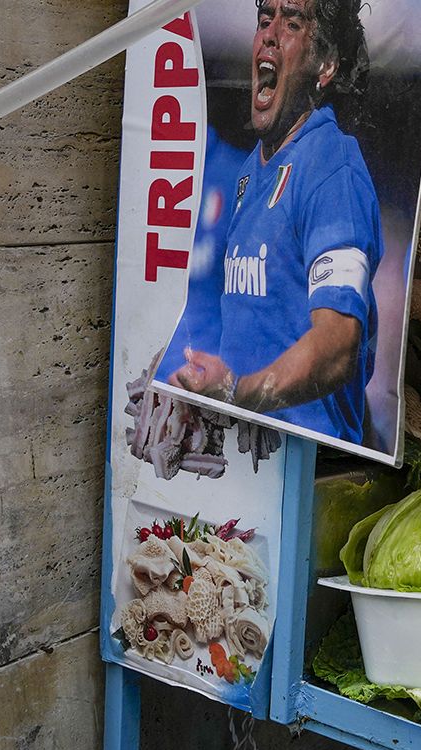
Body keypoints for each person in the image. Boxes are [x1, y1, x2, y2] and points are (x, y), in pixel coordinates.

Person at [164, 0, 381, 444]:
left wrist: (233, 392)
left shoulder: (331, 166)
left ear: (325, 67)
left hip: (307, 455)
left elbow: (339, 344)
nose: (270, 33)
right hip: (248, 449)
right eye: (265, 21)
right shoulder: (248, 174)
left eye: (292, 24)